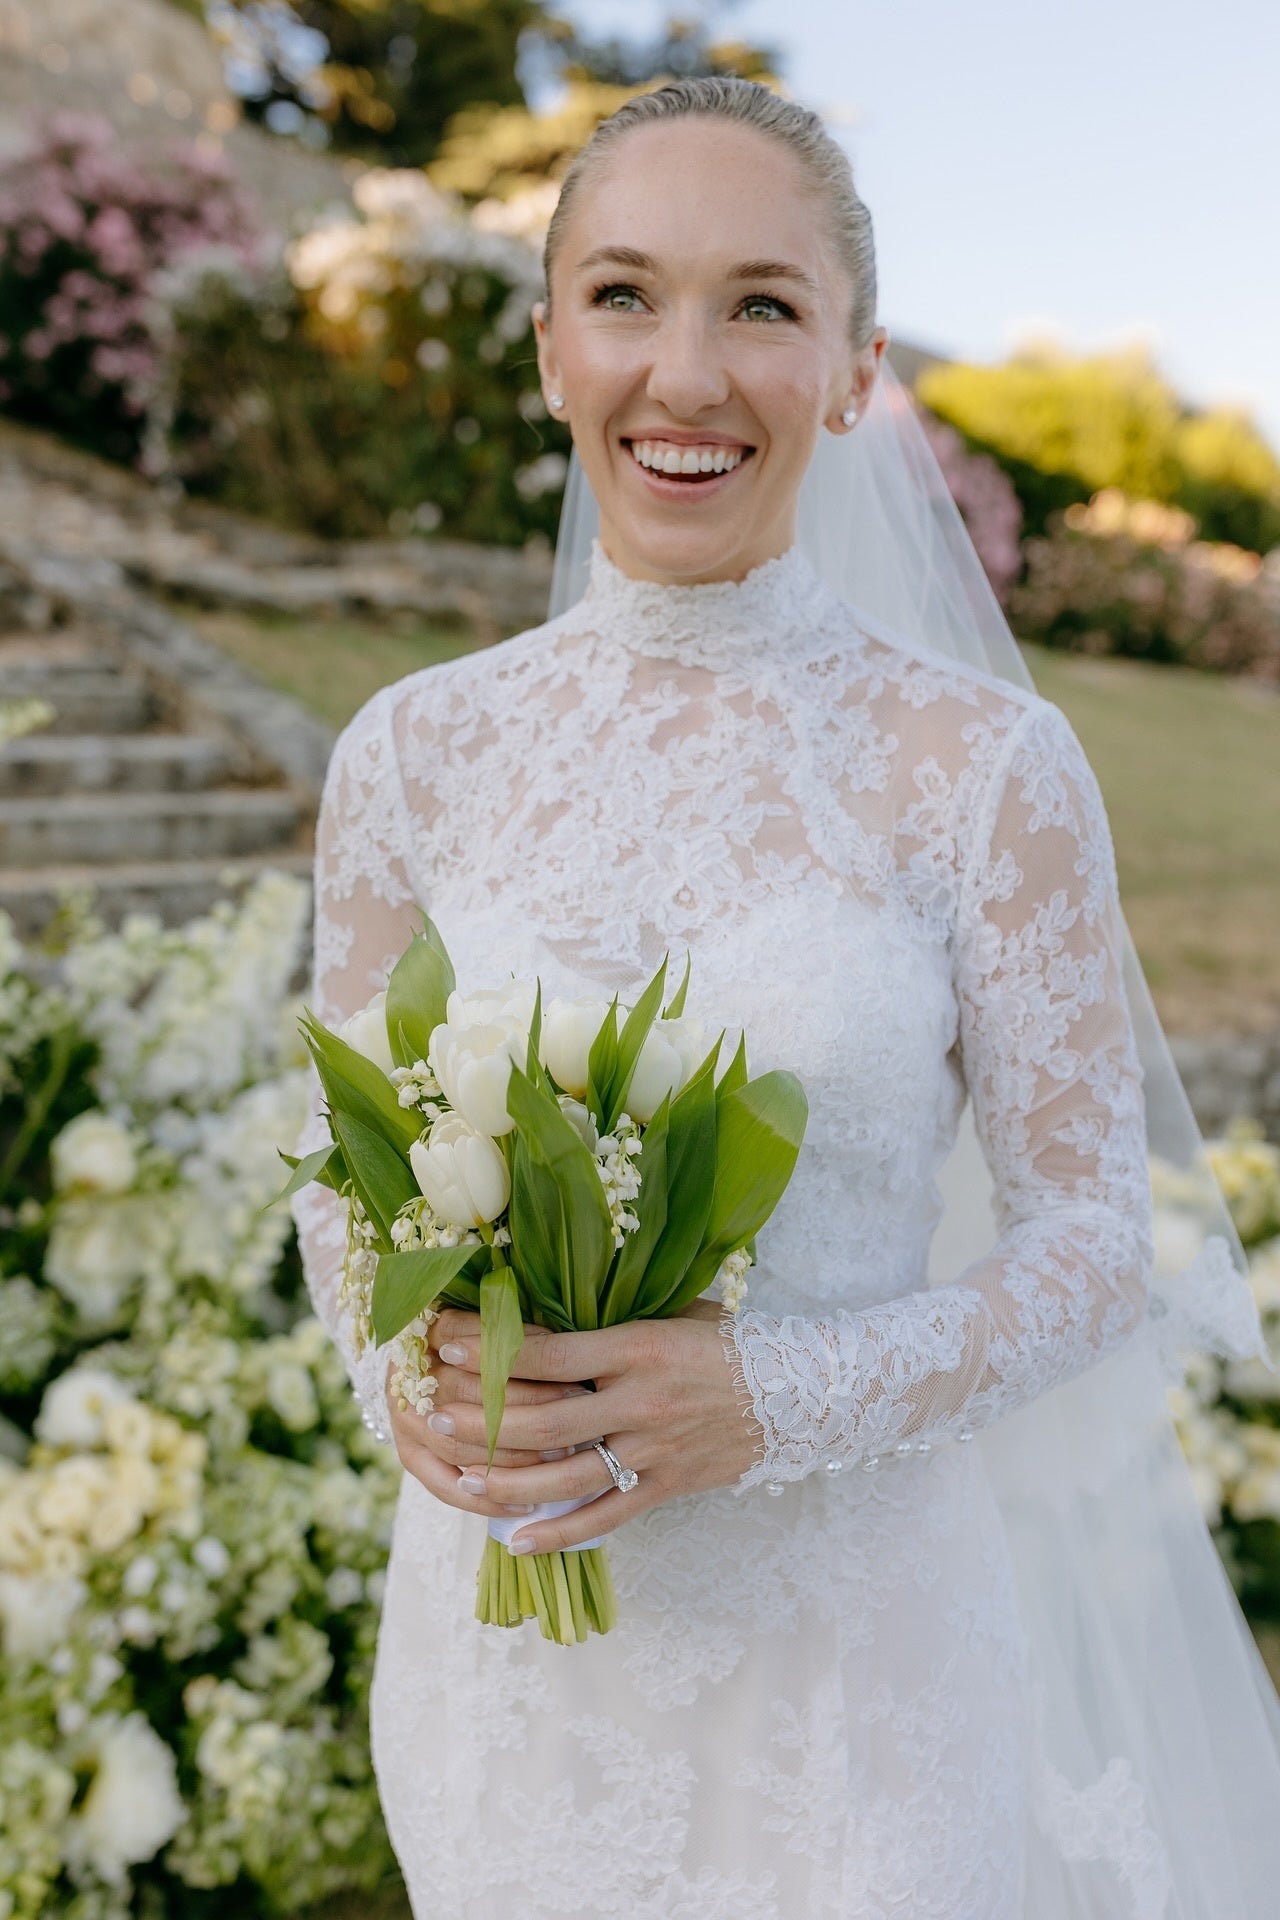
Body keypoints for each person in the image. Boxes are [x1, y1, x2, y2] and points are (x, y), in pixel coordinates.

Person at [293, 75, 1280, 1918]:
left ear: (851, 369)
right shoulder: (410, 754)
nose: (685, 371)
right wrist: (400, 1378)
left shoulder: (986, 767)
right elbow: (341, 1179)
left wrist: (780, 1395)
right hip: (509, 1676)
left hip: (860, 1697)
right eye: (622, 294)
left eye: (760, 304)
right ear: (545, 348)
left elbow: (1090, 1245)